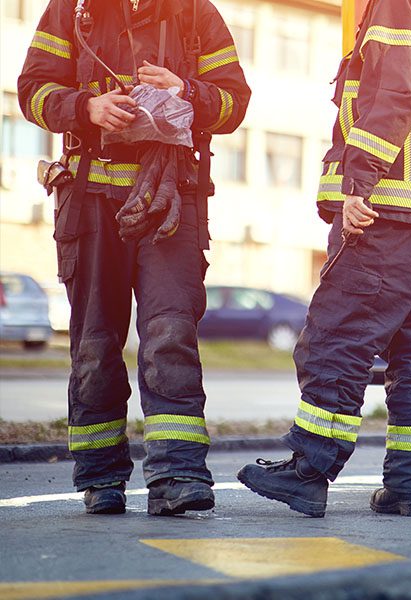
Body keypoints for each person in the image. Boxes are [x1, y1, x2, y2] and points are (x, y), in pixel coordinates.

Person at [238, 0, 411, 518]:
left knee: (338, 334)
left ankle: (309, 470)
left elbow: (398, 89)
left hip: (383, 207)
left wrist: (359, 181)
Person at [18, 0, 250, 515]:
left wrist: (186, 91)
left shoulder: (195, 15)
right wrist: (87, 109)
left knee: (170, 335)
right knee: (96, 342)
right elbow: (32, 91)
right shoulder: (71, 11)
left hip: (171, 200)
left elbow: (236, 102)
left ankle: (178, 474)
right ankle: (100, 477)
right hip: (89, 201)